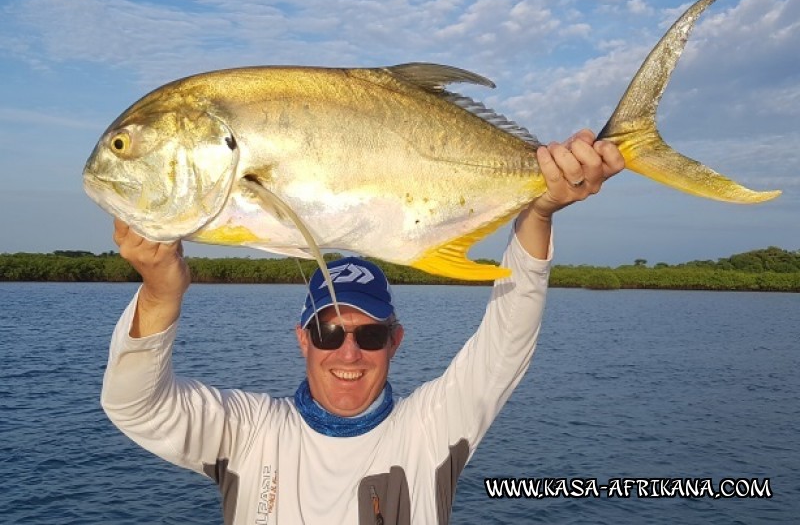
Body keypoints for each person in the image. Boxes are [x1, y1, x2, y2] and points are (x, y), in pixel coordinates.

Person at [102, 130, 624, 524]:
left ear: (395, 342)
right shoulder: (247, 432)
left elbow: (507, 340)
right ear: (303, 339)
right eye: (329, 333)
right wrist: (160, 292)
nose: (348, 353)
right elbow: (134, 405)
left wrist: (538, 215)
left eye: (370, 335)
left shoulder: (431, 429)